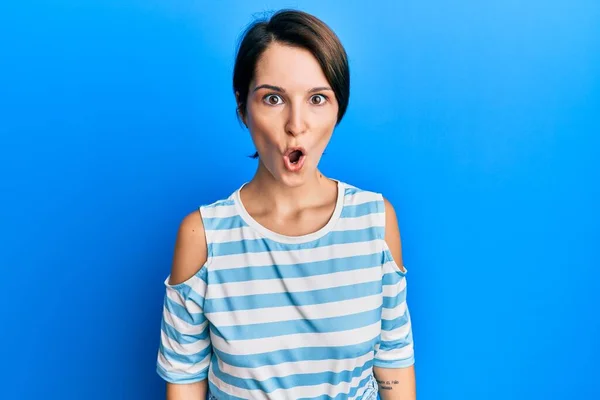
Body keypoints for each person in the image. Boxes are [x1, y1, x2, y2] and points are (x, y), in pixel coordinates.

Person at [156, 9, 416, 400]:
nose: (297, 124)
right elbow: (184, 381)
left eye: (317, 98)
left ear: (337, 108)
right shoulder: (202, 236)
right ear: (243, 106)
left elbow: (393, 366)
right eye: (273, 98)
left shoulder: (375, 222)